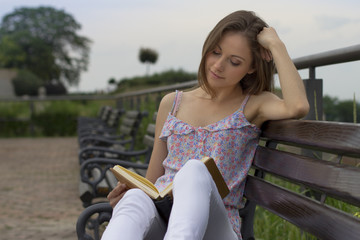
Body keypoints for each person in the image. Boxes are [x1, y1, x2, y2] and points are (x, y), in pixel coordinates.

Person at [102, 10, 309, 240]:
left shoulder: (253, 105)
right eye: (215, 52)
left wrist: (275, 44)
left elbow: (298, 106)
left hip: (217, 228)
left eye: (234, 61)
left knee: (194, 170)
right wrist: (125, 195)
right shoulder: (172, 103)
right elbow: (152, 182)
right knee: (134, 199)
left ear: (251, 67)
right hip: (165, 221)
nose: (218, 66)